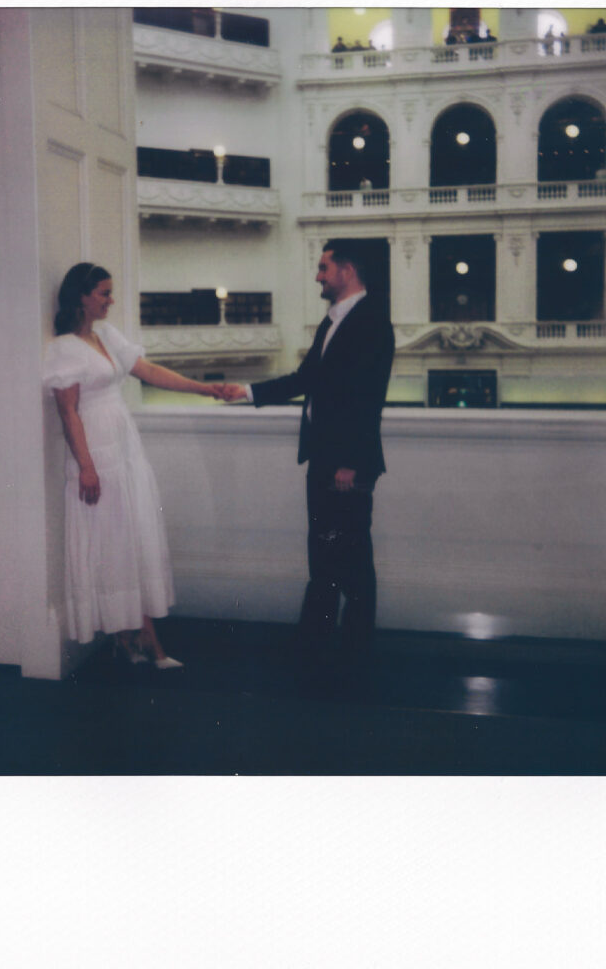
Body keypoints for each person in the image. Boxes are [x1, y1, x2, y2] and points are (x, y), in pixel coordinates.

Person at [221, 241, 395, 682]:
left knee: (350, 561)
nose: (318, 275)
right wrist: (247, 392)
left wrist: (350, 463)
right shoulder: (337, 321)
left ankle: (350, 655)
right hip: (327, 459)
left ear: (348, 270)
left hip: (344, 466)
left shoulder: (370, 320)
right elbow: (307, 379)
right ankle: (316, 647)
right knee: (324, 556)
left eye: (323, 267)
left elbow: (366, 397)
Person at [43, 262, 223, 669]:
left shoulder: (105, 335)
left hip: (123, 448)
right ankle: (141, 640)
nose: (110, 300)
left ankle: (133, 637)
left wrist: (204, 388)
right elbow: (68, 413)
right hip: (97, 455)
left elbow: (149, 371)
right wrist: (86, 467)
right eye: (104, 293)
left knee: (130, 540)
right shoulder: (63, 348)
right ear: (82, 296)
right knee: (113, 543)